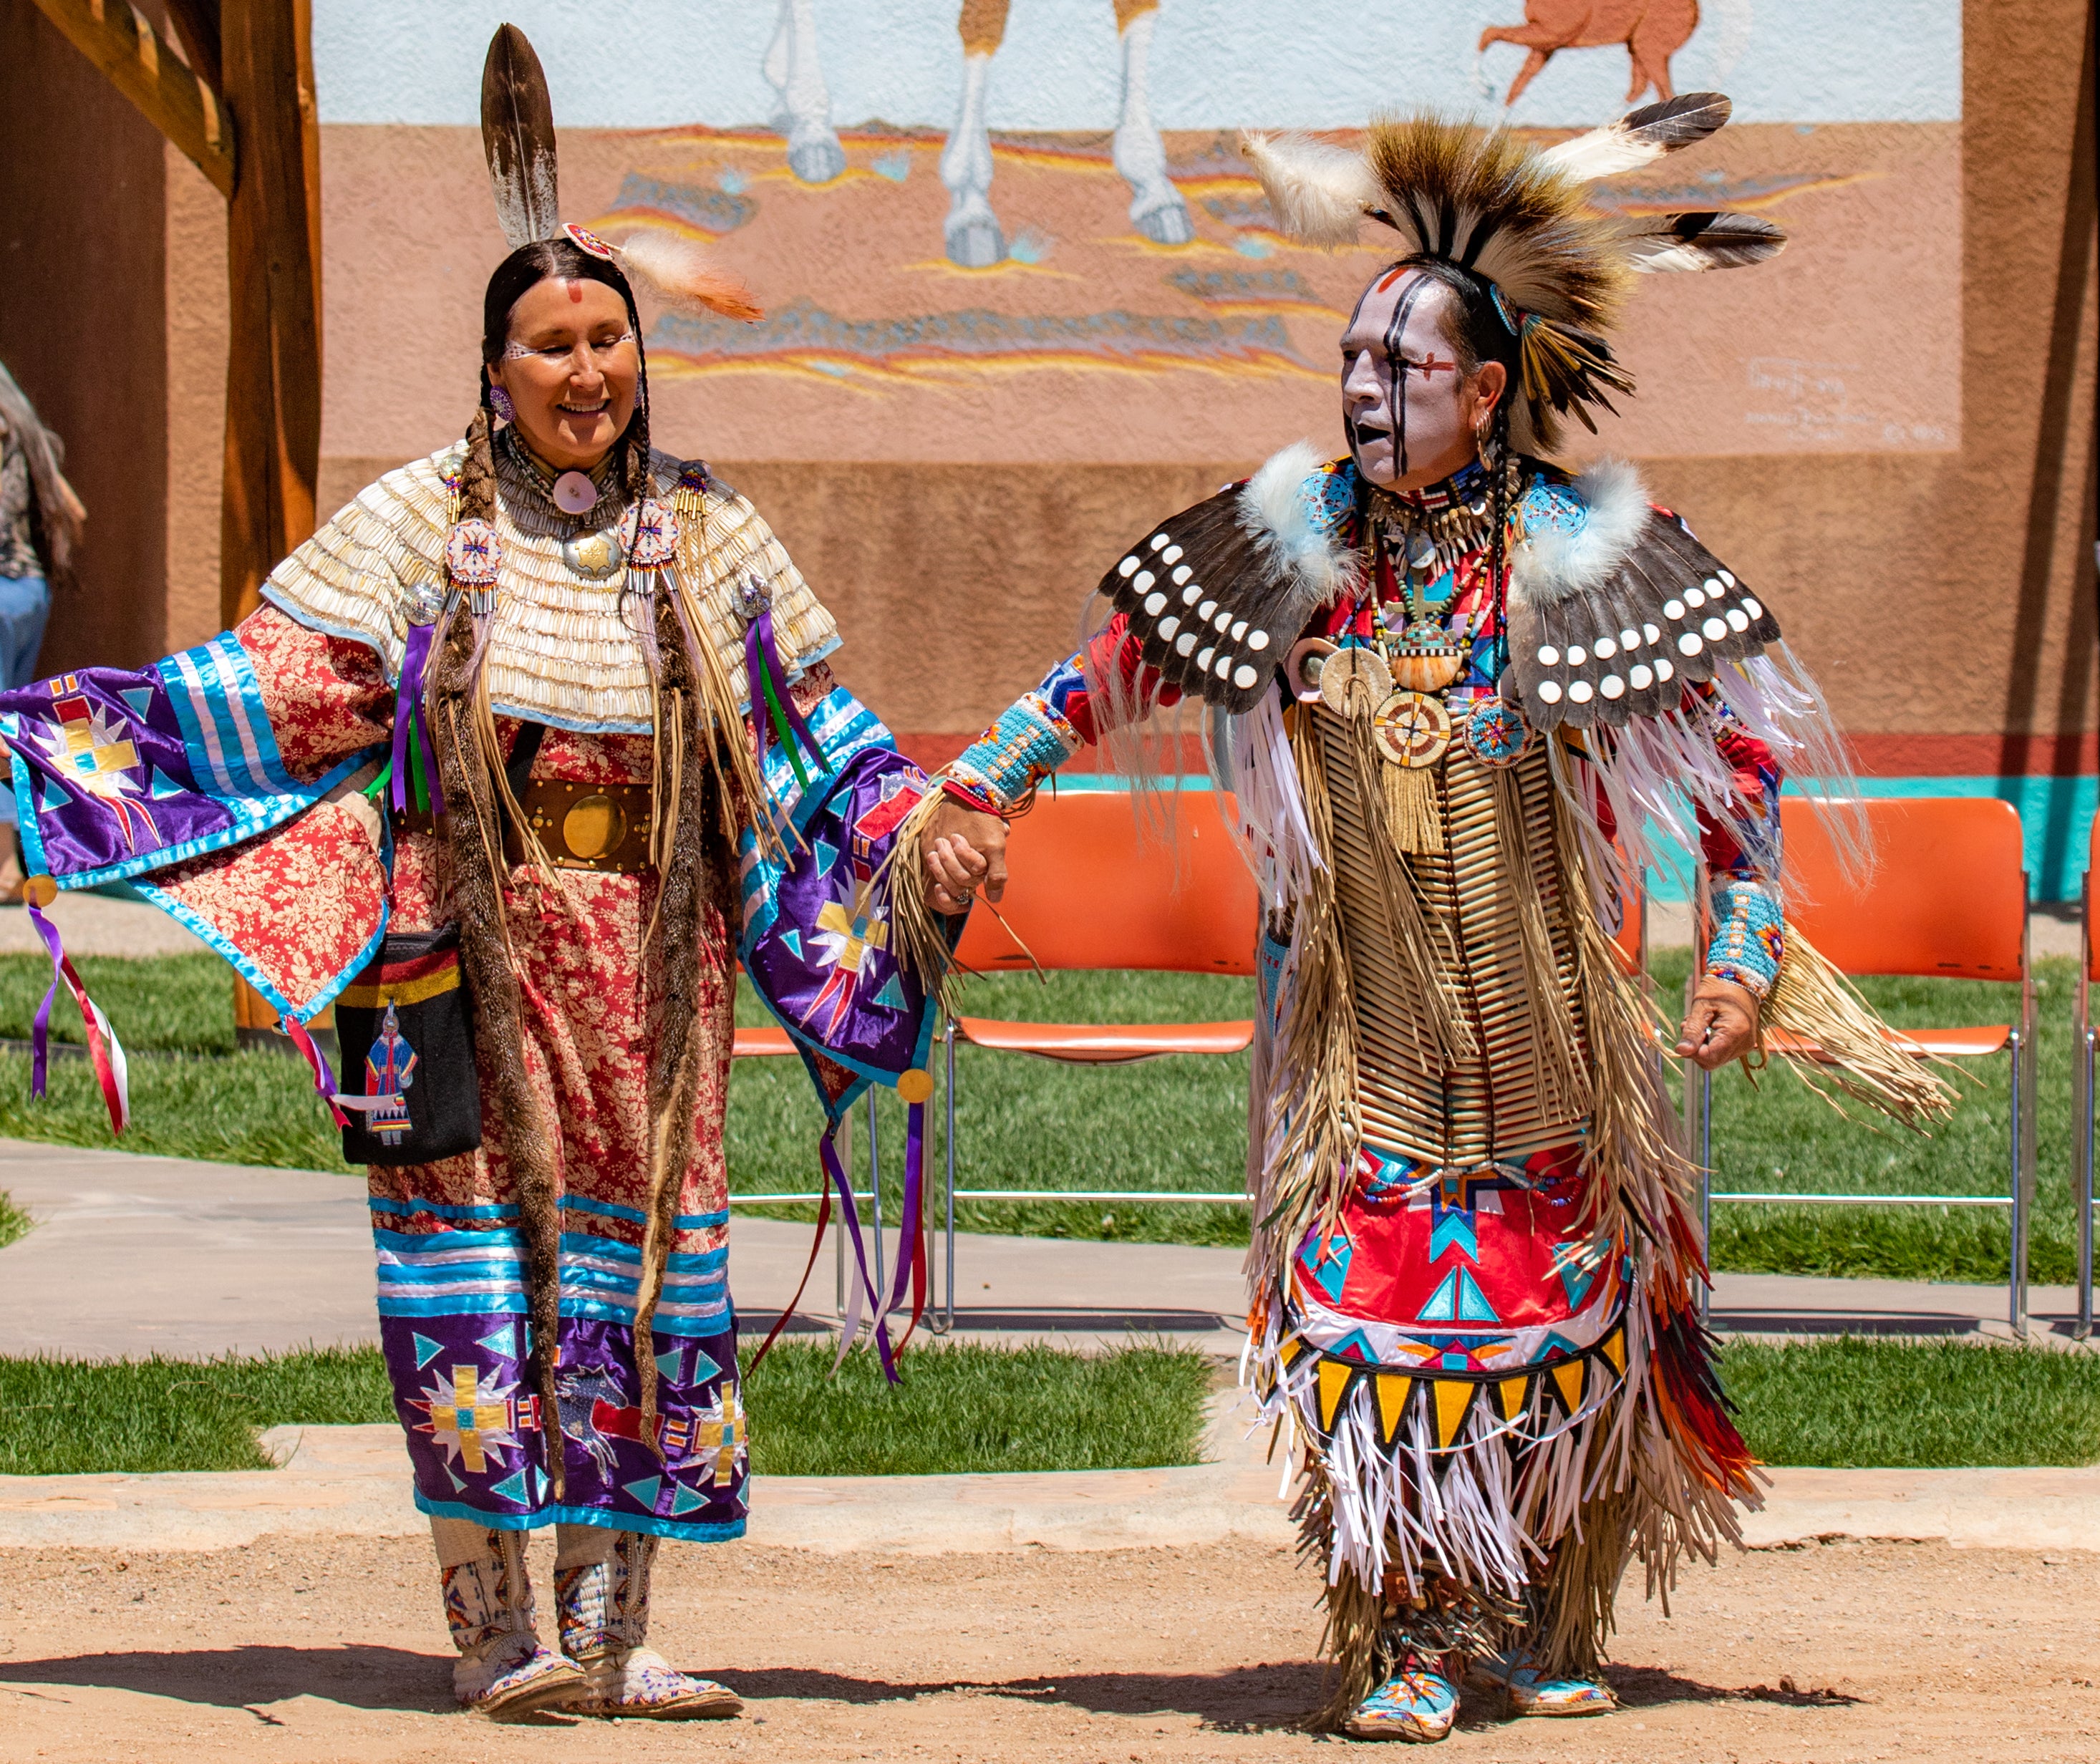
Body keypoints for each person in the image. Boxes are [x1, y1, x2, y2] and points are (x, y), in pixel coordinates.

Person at [918, 99, 1950, 1740]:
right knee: (1366, 1316)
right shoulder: (1302, 532)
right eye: (1348, 362)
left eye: (1396, 372)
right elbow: (1105, 667)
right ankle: (1403, 1632)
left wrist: (1746, 955)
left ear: (1486, 391)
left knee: (1572, 1316)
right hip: (1373, 1046)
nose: (1359, 392)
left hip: (1548, 1040)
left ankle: (1541, 1614)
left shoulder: (1583, 547)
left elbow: (1738, 754)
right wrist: (989, 783)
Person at [0, 27, 947, 1724]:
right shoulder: (421, 526)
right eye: (553, 345)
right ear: (495, 368)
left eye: (611, 341)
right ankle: (493, 1634)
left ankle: (613, 1635)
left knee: (643, 1277)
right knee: (469, 1278)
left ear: (642, 360)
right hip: (458, 974)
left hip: (649, 988)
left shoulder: (715, 537)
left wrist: (923, 835)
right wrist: (47, 757)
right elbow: (260, 692)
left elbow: (828, 749)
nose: (589, 371)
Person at [0, 360, 83, 894]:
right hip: (29, 591)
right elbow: (75, 511)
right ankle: (12, 864)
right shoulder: (22, 426)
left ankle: (7, 865)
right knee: (7, 723)